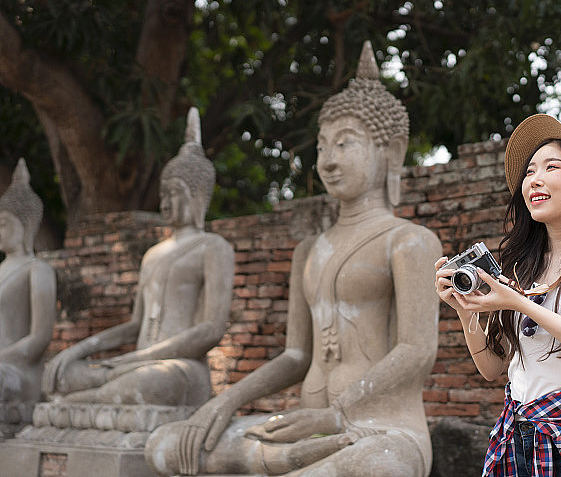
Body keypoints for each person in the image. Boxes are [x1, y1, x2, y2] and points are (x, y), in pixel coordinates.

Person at [145, 42, 442, 476]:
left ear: (392, 151)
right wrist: (225, 401)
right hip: (306, 428)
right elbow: (295, 355)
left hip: (381, 432)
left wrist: (338, 415)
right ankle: (288, 459)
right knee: (166, 444)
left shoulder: (410, 241)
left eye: (345, 144)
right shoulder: (309, 250)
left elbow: (417, 350)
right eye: (322, 146)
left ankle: (292, 461)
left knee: (379, 466)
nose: (329, 160)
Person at [435, 114, 561, 476]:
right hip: (515, 439)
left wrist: (520, 303)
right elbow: (492, 368)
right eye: (530, 171)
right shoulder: (521, 267)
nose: (534, 179)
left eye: (551, 167)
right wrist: (465, 311)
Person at [41, 108, 234, 407]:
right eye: (163, 194)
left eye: (175, 193)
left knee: (146, 383)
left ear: (197, 196)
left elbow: (212, 329)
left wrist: (140, 358)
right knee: (64, 375)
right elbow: (136, 324)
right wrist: (77, 350)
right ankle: (87, 397)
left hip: (180, 368)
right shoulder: (153, 255)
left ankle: (78, 403)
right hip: (135, 364)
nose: (165, 202)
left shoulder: (214, 247)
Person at [0, 158, 56, 434]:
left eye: (4, 224)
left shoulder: (37, 270)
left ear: (26, 225)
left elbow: (39, 339)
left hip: (19, 372)